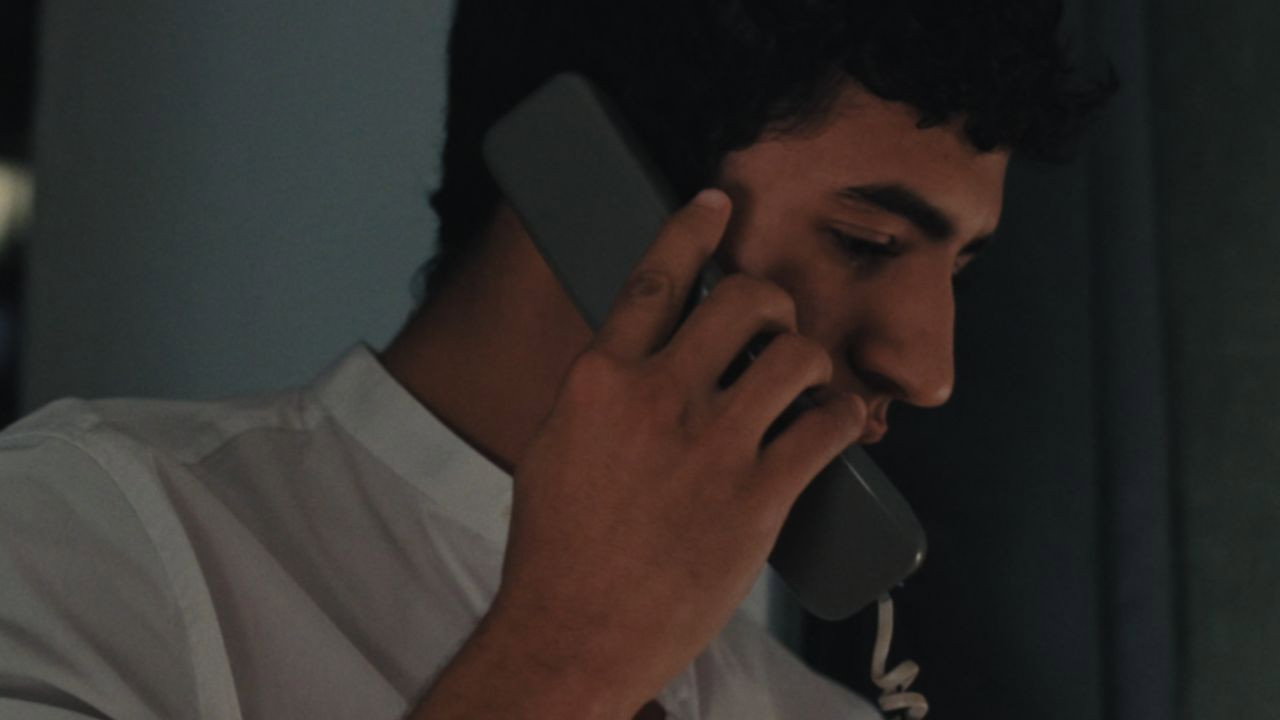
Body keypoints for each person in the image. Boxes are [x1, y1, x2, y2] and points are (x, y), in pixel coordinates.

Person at [0, 0, 1112, 718]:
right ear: (592, 190)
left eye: (958, 271)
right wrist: (570, 658)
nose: (928, 367)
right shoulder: (81, 535)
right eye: (863, 242)